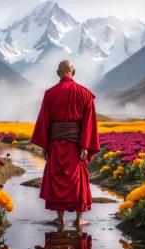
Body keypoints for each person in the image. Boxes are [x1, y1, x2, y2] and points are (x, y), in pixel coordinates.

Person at [31, 60, 100, 226]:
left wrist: (45, 145)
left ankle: (61, 220)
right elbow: (88, 123)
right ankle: (79, 219)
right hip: (77, 146)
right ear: (73, 72)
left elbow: (44, 121)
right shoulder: (85, 93)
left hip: (55, 144)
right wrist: (85, 145)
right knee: (79, 179)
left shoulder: (50, 94)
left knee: (57, 179)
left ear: (57, 73)